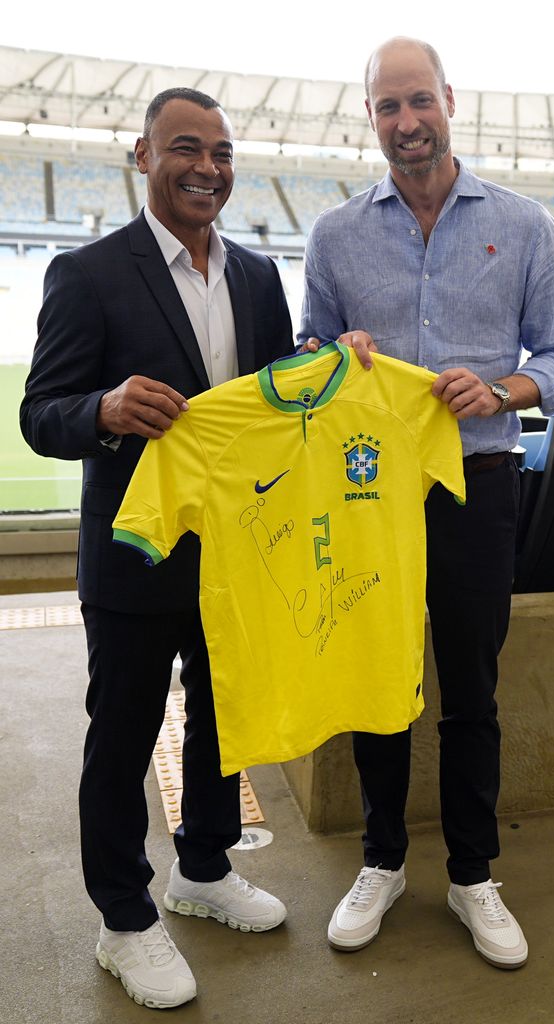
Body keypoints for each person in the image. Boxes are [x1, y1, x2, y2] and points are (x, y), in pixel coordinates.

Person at [299, 37, 554, 970]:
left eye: (418, 101)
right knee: (377, 687)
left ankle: (471, 875)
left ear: (449, 101)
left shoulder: (524, 224)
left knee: (469, 693)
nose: (405, 122)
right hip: (369, 493)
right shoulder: (335, 235)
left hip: (478, 485)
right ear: (370, 116)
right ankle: (382, 860)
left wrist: (501, 391)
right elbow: (303, 359)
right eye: (387, 107)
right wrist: (331, 354)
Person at [20, 87, 294, 1009]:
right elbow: (40, 415)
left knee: (223, 720)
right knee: (125, 733)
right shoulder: (89, 272)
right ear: (143, 156)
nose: (206, 167)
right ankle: (123, 920)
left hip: (234, 549)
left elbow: (279, 404)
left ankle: (205, 872)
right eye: (186, 148)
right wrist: (100, 409)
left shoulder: (258, 275)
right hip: (134, 554)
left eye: (221, 152)